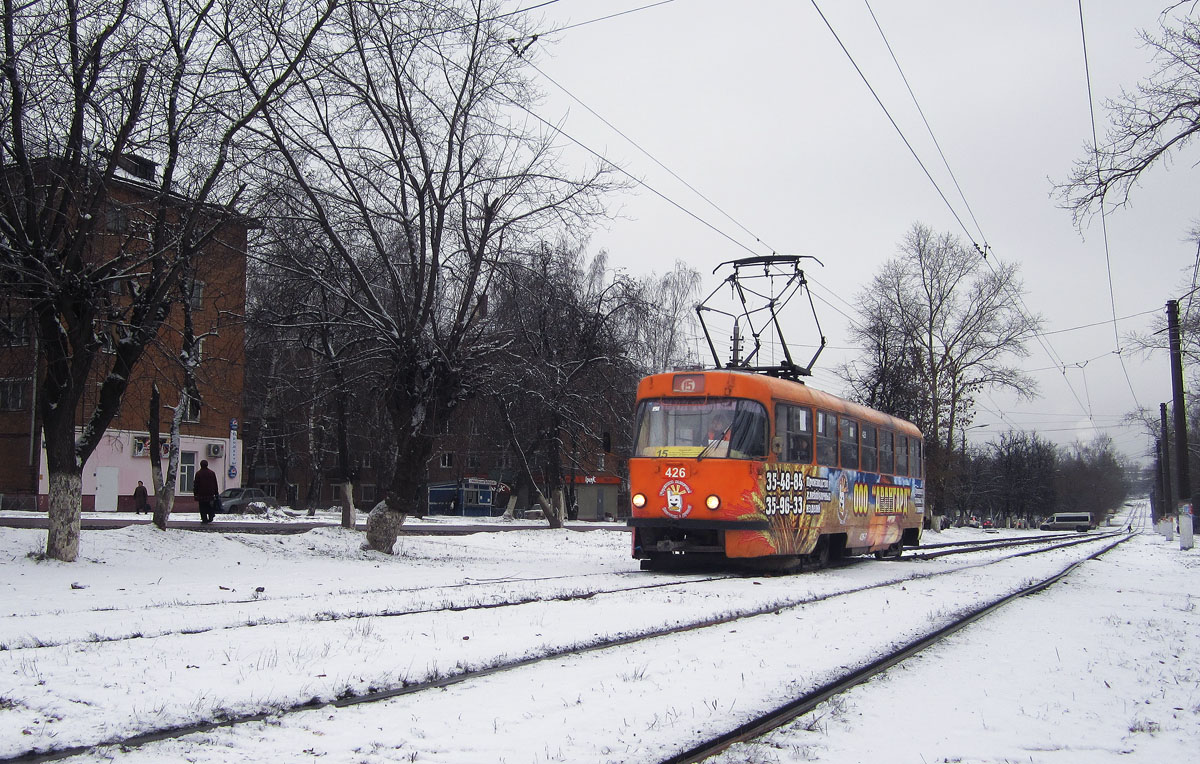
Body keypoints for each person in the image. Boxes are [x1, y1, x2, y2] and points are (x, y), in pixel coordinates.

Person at [194, 459, 219, 524]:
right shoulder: (212, 473)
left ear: (200, 465)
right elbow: (215, 483)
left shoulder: (198, 473)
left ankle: (204, 519)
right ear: (207, 465)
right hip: (210, 494)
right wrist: (216, 493)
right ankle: (211, 516)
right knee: (209, 505)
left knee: (202, 507)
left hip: (201, 494)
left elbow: (196, 485)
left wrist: (195, 494)